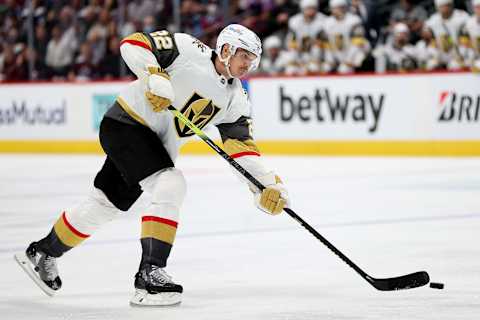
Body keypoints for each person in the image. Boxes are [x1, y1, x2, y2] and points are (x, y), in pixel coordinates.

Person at [14, 24, 290, 307]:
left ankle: (43, 252)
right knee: (170, 183)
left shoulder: (236, 99)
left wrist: (265, 184)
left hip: (153, 146)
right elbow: (133, 43)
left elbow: (241, 148)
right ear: (227, 48)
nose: (249, 65)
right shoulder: (186, 49)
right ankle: (149, 274)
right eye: (245, 56)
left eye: (253, 60)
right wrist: (154, 74)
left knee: (103, 205)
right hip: (126, 124)